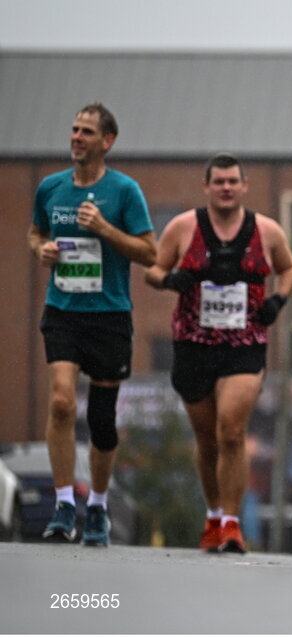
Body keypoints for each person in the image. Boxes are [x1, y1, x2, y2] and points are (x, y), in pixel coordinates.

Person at [145, 153, 292, 554]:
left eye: (233, 181)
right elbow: (152, 271)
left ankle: (232, 523)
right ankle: (213, 515)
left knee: (231, 431)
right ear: (207, 186)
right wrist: (170, 279)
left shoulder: (265, 231)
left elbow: (289, 268)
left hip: (245, 344)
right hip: (193, 344)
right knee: (207, 440)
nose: (226, 187)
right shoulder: (184, 227)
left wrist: (278, 302)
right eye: (219, 182)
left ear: (244, 185)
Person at [28, 102, 156, 546]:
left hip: (109, 315)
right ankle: (65, 503)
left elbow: (148, 252)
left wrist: (104, 228)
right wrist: (40, 248)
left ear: (107, 141)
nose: (77, 137)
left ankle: (97, 507)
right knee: (62, 402)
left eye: (87, 132)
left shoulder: (124, 192)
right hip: (63, 311)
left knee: (101, 421)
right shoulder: (50, 187)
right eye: (74, 129)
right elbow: (34, 231)